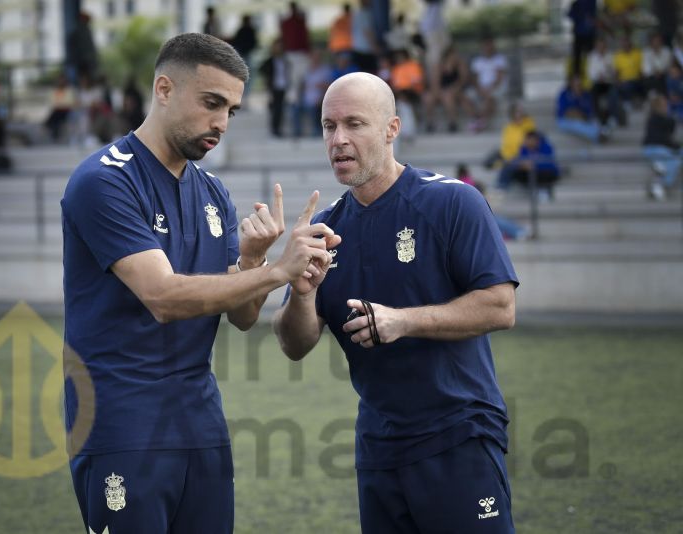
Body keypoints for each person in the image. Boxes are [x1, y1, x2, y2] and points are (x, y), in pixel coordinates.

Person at [61, 33, 335, 534]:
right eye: (211, 103)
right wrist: (277, 271)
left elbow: (243, 316)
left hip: (200, 424)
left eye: (231, 109)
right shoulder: (104, 180)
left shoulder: (212, 192)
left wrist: (253, 259)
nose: (222, 123)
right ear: (164, 89)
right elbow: (162, 297)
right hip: (122, 424)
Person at [273, 72, 518, 534]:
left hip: (458, 435)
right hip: (378, 447)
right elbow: (294, 344)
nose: (338, 140)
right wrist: (303, 293)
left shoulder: (452, 202)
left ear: (392, 129)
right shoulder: (325, 229)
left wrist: (402, 321)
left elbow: (500, 306)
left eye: (354, 124)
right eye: (329, 126)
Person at [642, 93, 680, 200]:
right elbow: (661, 138)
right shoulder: (654, 119)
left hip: (660, 148)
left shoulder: (663, 119)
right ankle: (663, 183)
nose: (667, 107)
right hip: (653, 148)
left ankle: (660, 169)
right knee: (674, 160)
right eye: (664, 105)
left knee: (675, 157)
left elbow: (670, 132)